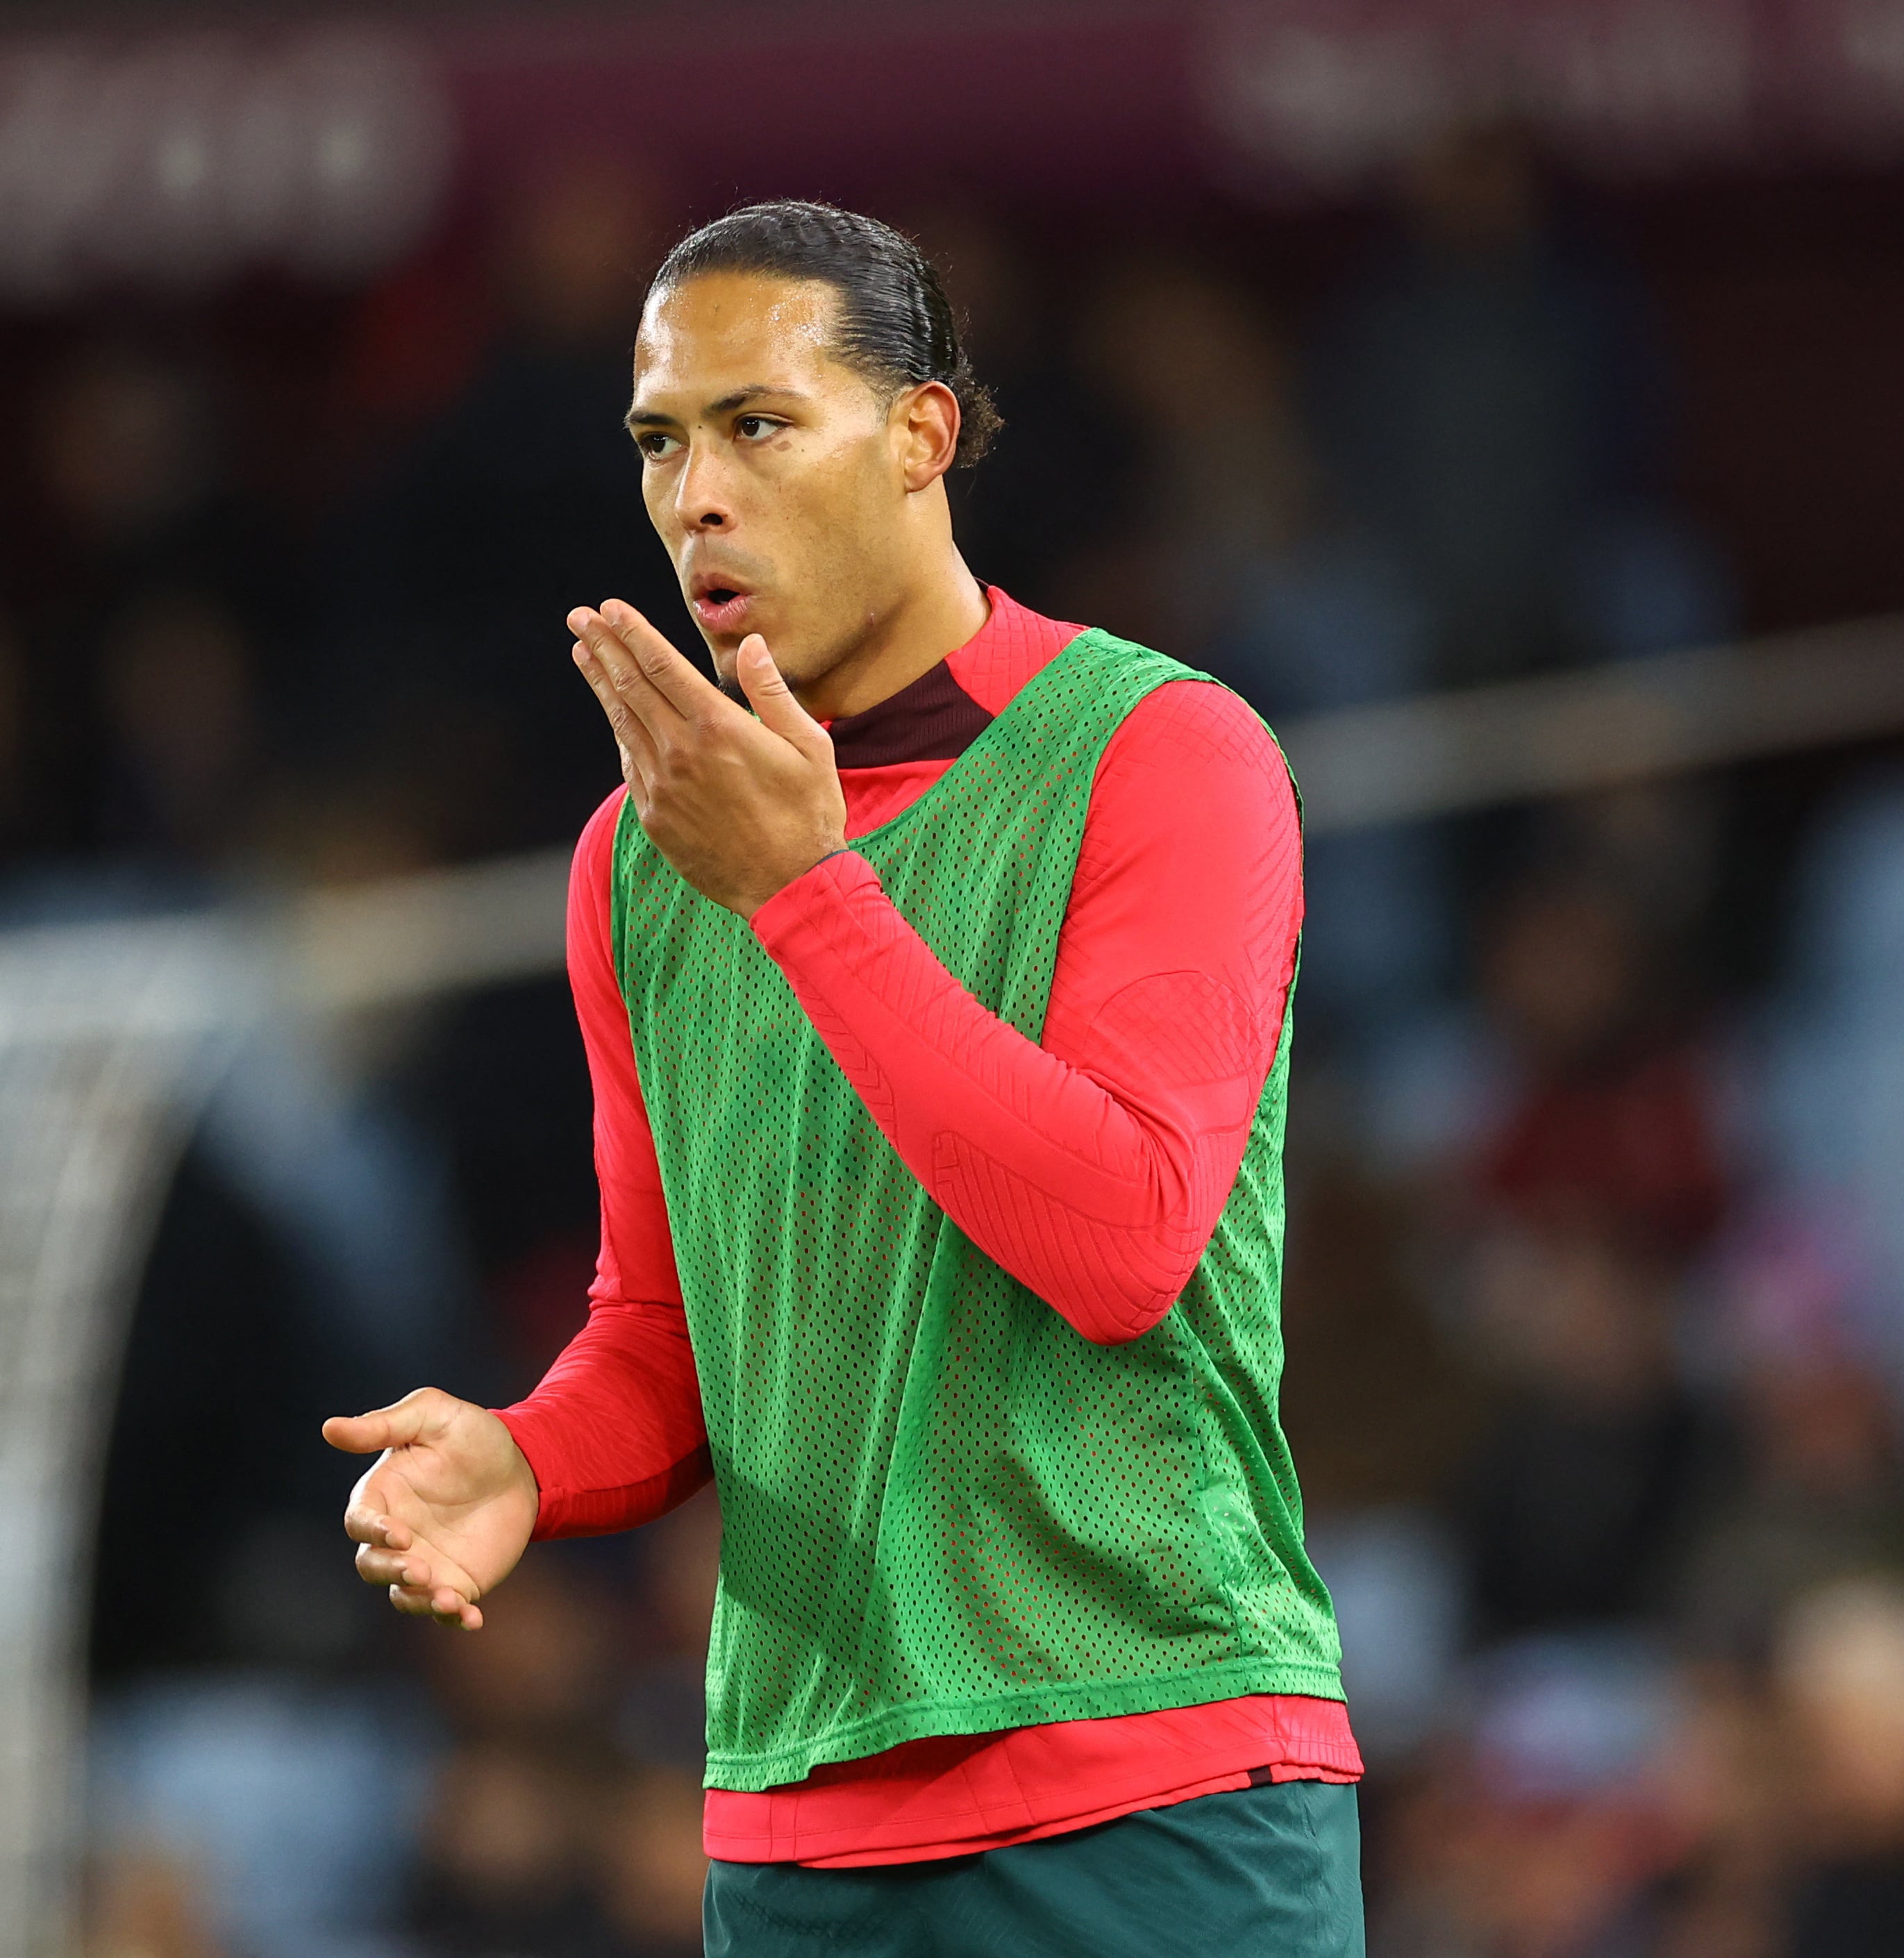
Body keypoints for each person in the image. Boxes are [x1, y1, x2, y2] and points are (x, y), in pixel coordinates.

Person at [325, 201, 1360, 1957]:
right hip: (795, 1833)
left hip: (1150, 1780)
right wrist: (524, 1461)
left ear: (920, 437)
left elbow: (1119, 1238)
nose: (694, 496)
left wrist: (806, 896)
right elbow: (665, 1338)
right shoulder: (636, 863)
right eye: (660, 440)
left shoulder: (1165, 755)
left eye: (757, 425)